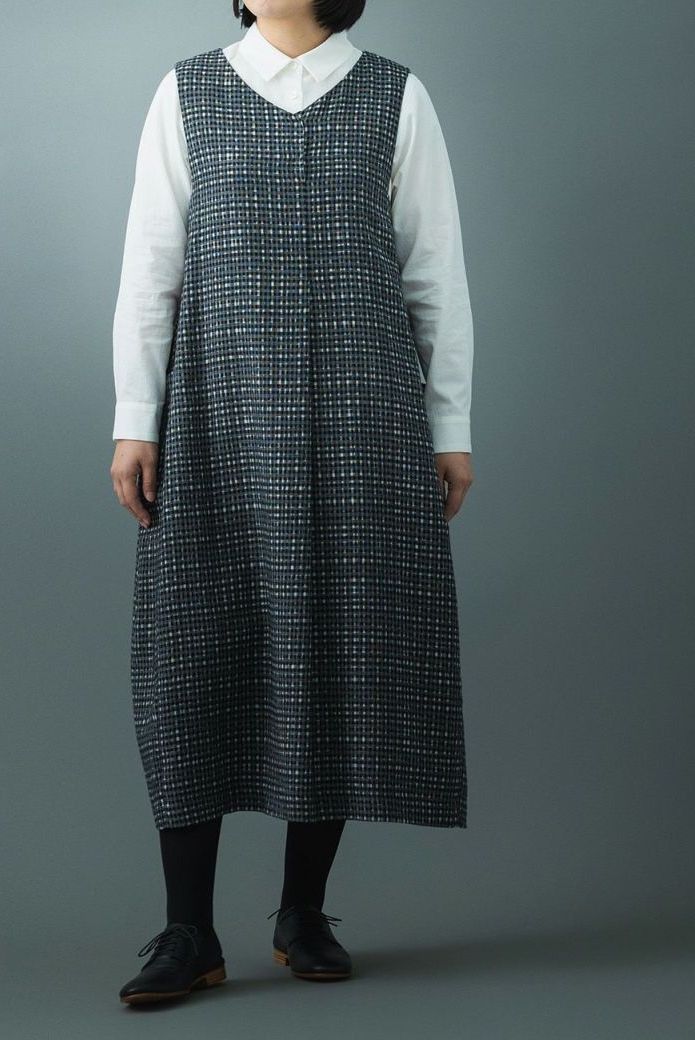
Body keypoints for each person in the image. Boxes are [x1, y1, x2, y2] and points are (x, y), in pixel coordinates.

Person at [109, 0, 474, 1005]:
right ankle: (188, 930)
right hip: (216, 412)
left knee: (338, 646)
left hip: (364, 417)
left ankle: (301, 911)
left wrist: (449, 425)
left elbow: (434, 271)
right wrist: (134, 416)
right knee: (194, 650)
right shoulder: (187, 90)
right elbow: (150, 263)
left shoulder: (394, 95)